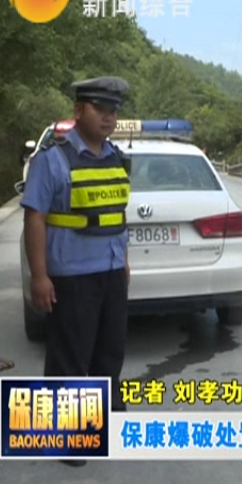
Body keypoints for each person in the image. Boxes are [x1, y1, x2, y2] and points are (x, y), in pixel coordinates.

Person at [20, 76, 132, 467]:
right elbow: (34, 219)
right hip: (71, 276)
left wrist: (124, 262)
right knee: (69, 358)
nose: (108, 116)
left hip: (111, 272)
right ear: (79, 110)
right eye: (100, 109)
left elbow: (116, 217)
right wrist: (39, 276)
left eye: (114, 110)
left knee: (109, 353)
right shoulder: (52, 160)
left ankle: (104, 421)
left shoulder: (116, 157)